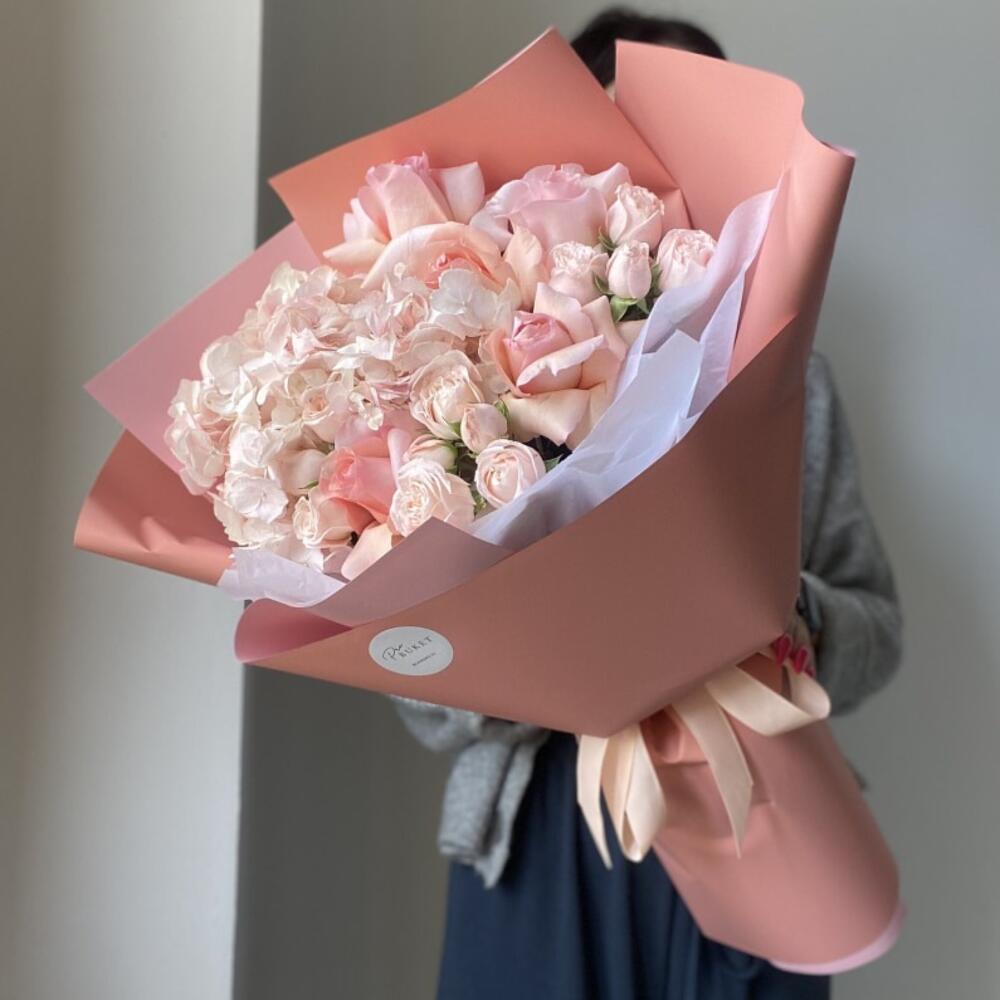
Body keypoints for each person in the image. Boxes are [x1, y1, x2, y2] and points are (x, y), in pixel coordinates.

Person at [394, 10, 903, 998]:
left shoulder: (790, 379)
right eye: (632, 125)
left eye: (698, 126)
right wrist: (527, 644)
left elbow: (876, 632)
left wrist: (770, 611)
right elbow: (425, 702)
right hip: (540, 830)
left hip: (759, 816)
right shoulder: (463, 387)